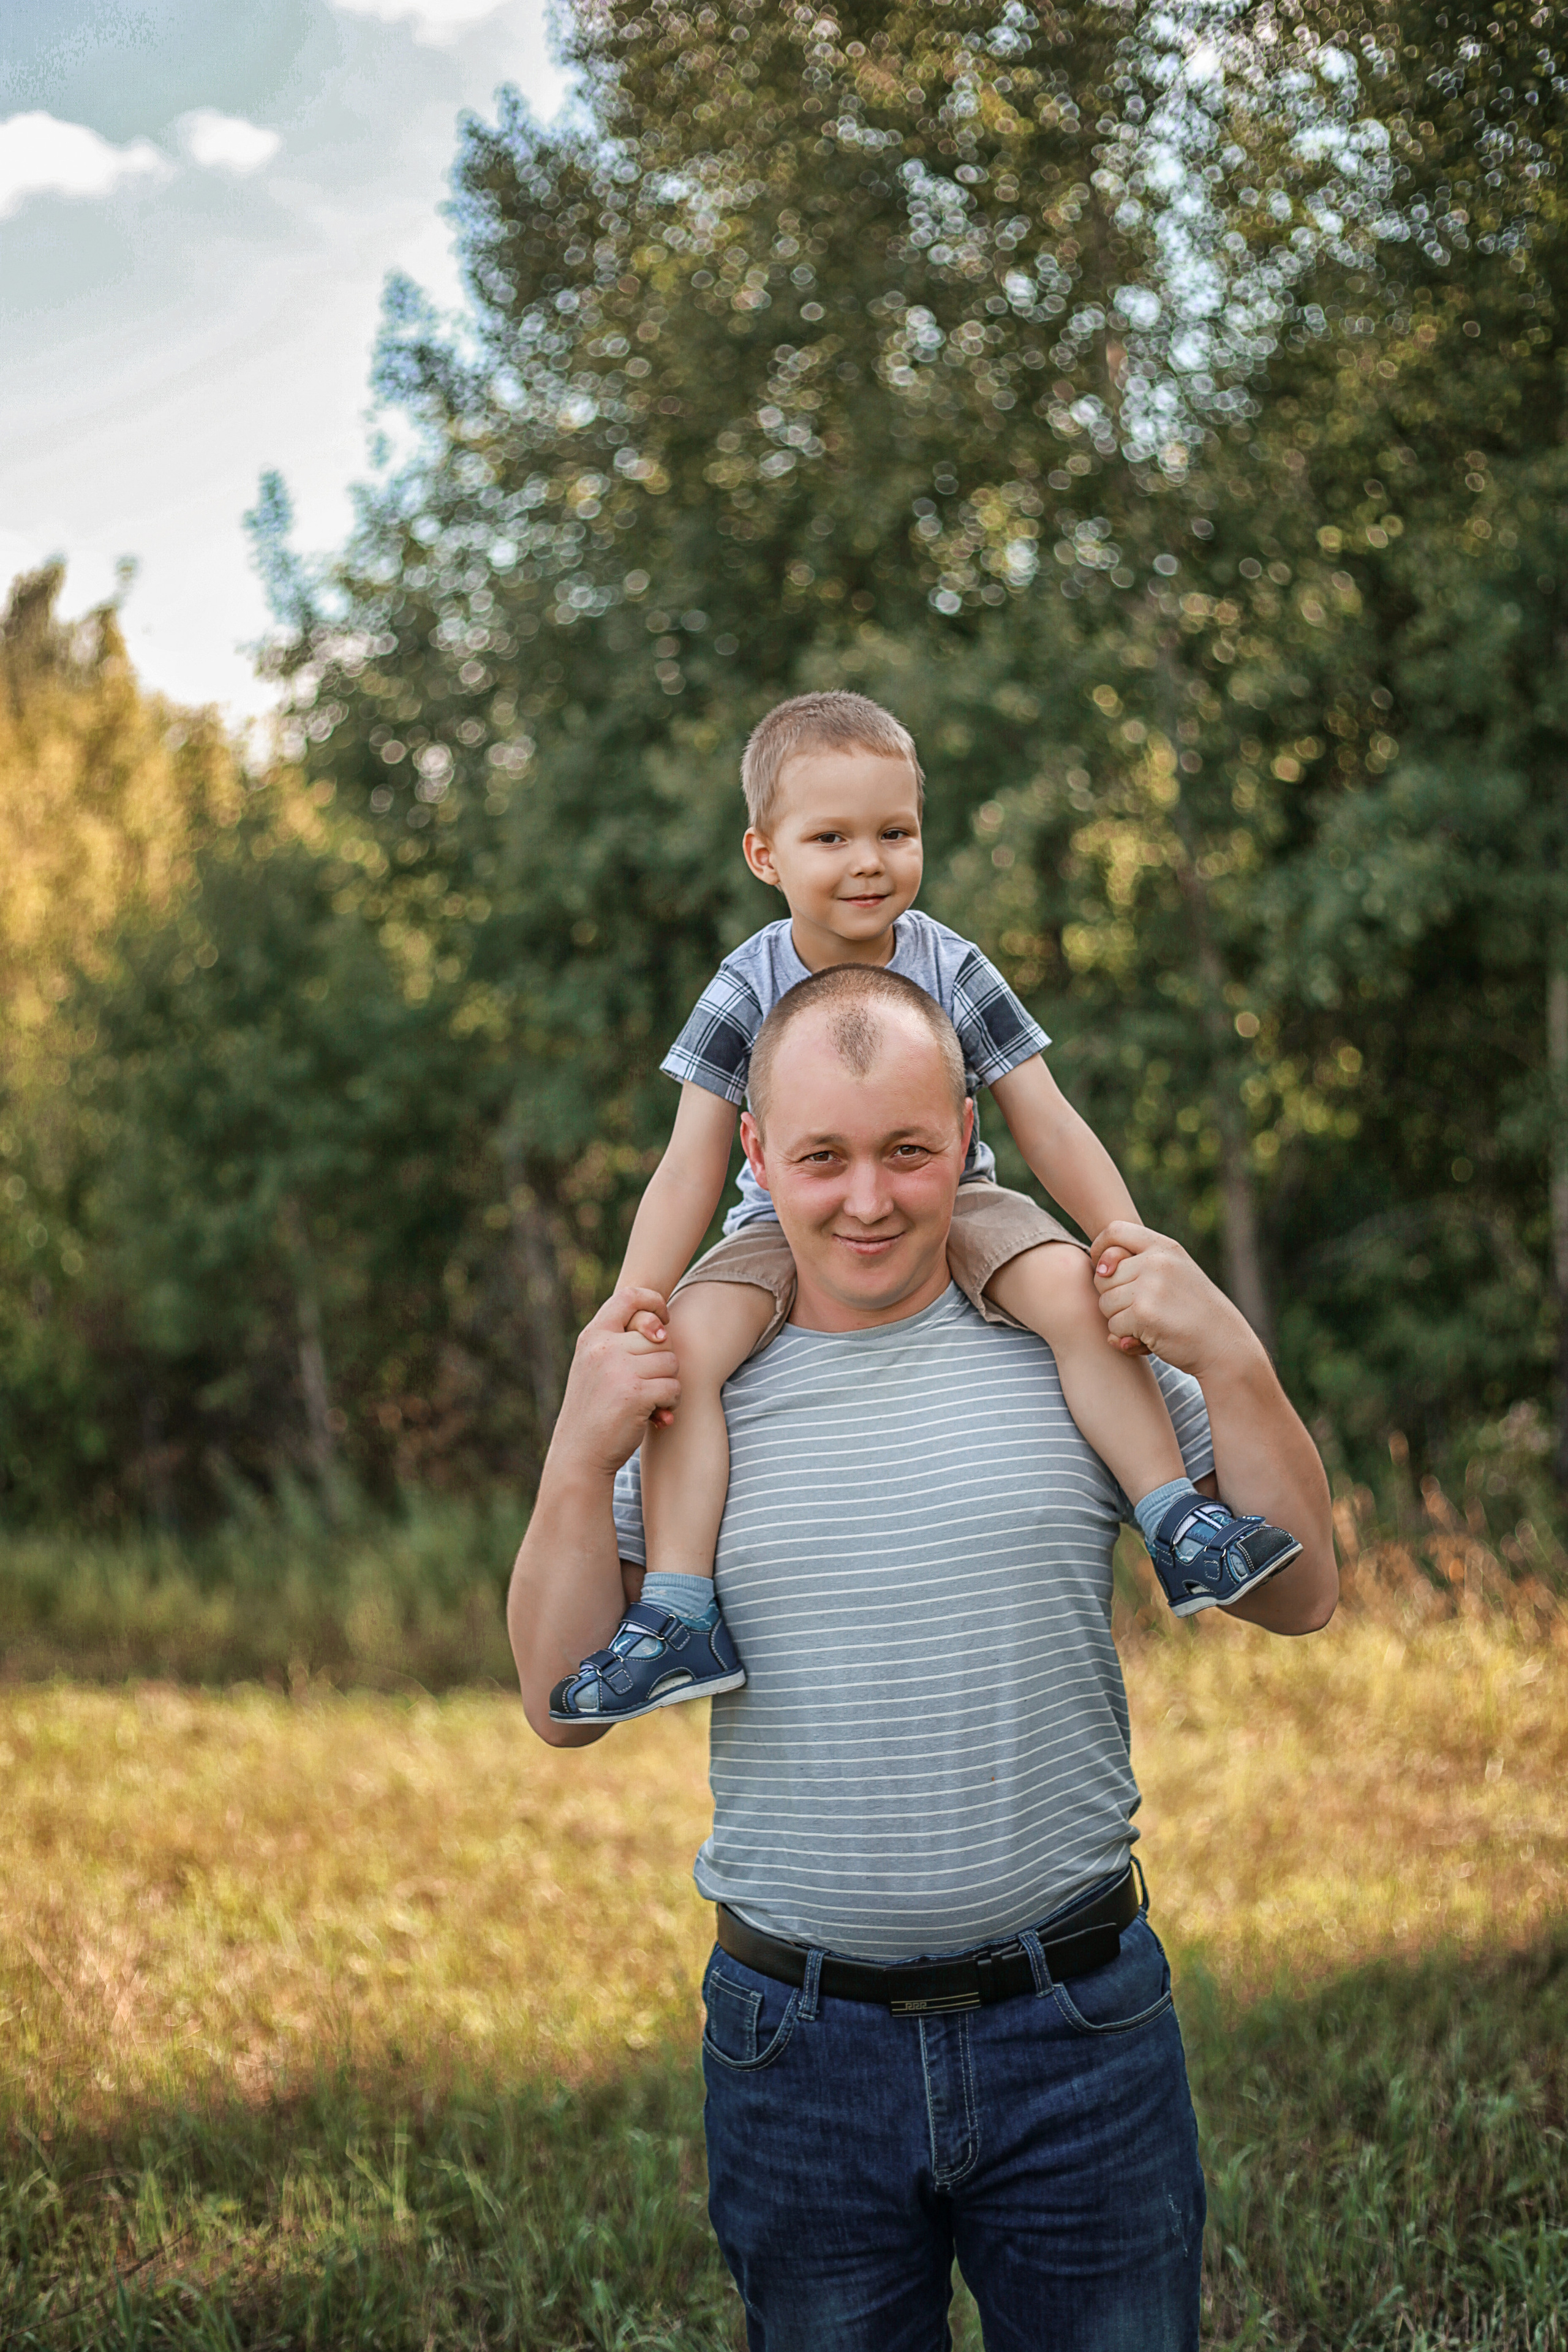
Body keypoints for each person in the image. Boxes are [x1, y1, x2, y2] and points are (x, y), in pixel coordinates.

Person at [507, 965, 1336, 2351]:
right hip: (795, 2049)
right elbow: (556, 1705)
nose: (869, 1200)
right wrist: (572, 1452)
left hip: (1075, 2026)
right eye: (821, 1158)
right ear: (756, 1158)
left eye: (906, 1150)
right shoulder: (685, 1398)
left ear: (965, 1133)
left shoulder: (1068, 1345)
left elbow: (1301, 1596)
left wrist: (1234, 1359)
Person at [549, 691, 1300, 1727]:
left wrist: (1127, 1239)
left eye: (895, 832)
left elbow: (1043, 1117)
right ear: (765, 855)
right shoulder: (745, 983)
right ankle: (678, 1610)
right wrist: (634, 1300)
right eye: (833, 838)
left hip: (963, 1198)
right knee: (683, 1354)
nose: (870, 861)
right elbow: (689, 1163)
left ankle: (1178, 1519)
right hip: (779, 1225)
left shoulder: (949, 961)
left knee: (1075, 1295)